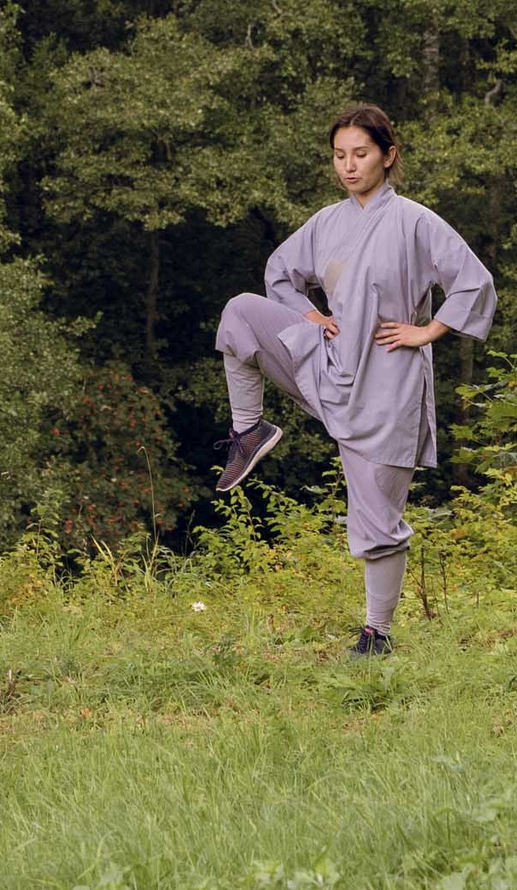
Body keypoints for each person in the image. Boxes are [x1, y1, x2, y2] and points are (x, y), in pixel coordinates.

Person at [212, 104, 497, 657]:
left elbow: (473, 281)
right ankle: (249, 430)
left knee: (376, 517)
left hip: (390, 384)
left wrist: (428, 331)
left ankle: (377, 634)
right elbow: (280, 274)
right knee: (239, 314)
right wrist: (309, 313)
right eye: (340, 155)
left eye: (360, 154)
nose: (349, 165)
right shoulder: (327, 222)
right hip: (331, 363)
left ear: (387, 157)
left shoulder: (414, 220)